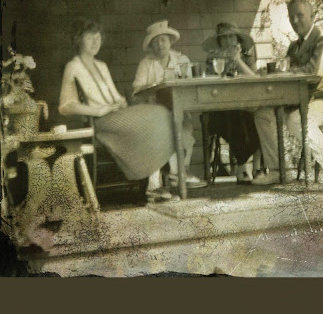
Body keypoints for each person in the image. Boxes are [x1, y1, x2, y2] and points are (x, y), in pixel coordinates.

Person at [58, 19, 185, 201]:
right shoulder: (73, 66)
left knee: (162, 114)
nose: (95, 42)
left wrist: (121, 102)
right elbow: (66, 105)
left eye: (98, 37)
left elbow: (115, 96)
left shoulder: (101, 65)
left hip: (116, 115)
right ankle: (154, 185)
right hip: (102, 122)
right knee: (157, 117)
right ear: (78, 39)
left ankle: (158, 182)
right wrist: (98, 111)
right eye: (90, 37)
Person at [252, 0, 323, 186]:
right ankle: (280, 169)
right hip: (305, 100)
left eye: (300, 15)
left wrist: (284, 70)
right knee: (263, 114)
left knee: (296, 119)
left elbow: (314, 71)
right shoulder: (294, 46)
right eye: (291, 17)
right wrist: (270, 72)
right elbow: (287, 71)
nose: (295, 21)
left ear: (312, 16)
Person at [132, 20, 204, 188]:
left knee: (184, 127)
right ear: (151, 45)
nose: (160, 44)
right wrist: (153, 88)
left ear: (171, 41)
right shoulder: (146, 63)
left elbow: (191, 85)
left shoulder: (182, 60)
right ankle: (178, 173)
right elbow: (136, 91)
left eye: (163, 40)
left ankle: (180, 171)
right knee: (169, 126)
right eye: (155, 41)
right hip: (154, 110)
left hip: (179, 108)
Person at [202, 22, 261, 183]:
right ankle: (242, 167)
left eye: (231, 37)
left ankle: (256, 168)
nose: (228, 41)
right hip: (219, 108)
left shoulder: (247, 56)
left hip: (245, 106)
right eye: (223, 38)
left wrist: (238, 61)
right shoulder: (213, 59)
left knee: (258, 116)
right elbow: (208, 84)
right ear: (219, 42)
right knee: (234, 117)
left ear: (238, 39)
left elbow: (255, 80)